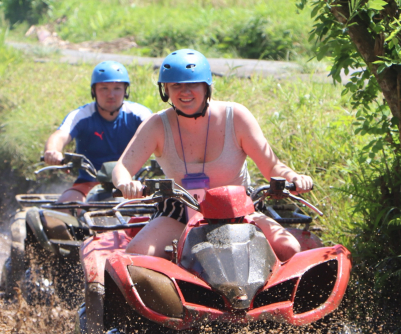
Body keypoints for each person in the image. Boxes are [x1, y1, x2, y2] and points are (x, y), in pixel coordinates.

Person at [113, 49, 313, 261]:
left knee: (289, 247)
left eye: (192, 84)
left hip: (239, 209)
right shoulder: (156, 125)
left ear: (206, 87)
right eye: (176, 85)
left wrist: (294, 178)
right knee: (137, 254)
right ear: (166, 90)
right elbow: (122, 168)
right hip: (181, 211)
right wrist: (126, 183)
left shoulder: (236, 117)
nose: (185, 92)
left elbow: (272, 166)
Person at [43, 61, 152, 203]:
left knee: (157, 211)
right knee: (65, 207)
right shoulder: (81, 115)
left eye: (117, 88)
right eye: (104, 88)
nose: (111, 95)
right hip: (89, 182)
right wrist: (52, 151)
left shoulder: (139, 113)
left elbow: (162, 134)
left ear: (126, 90)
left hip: (132, 185)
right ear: (93, 91)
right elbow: (60, 135)